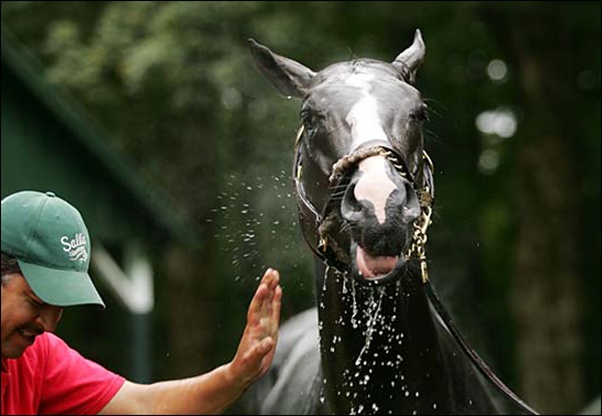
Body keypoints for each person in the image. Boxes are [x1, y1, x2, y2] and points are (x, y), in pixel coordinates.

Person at [1, 190, 282, 415]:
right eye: (37, 302)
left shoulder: (39, 356)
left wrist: (236, 375)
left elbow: (145, 406)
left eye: (59, 308)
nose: (48, 326)